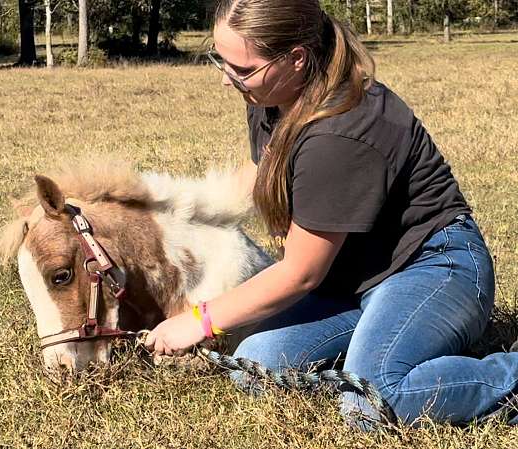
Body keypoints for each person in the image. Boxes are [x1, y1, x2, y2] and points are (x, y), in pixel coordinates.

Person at [144, 0, 518, 428]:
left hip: (433, 267)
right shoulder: (272, 95)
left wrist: (201, 320)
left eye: (241, 69)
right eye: (220, 60)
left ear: (296, 59)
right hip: (349, 282)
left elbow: (299, 274)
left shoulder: (340, 132)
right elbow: (257, 172)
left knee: (373, 402)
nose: (228, 80)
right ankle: (387, 354)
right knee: (258, 365)